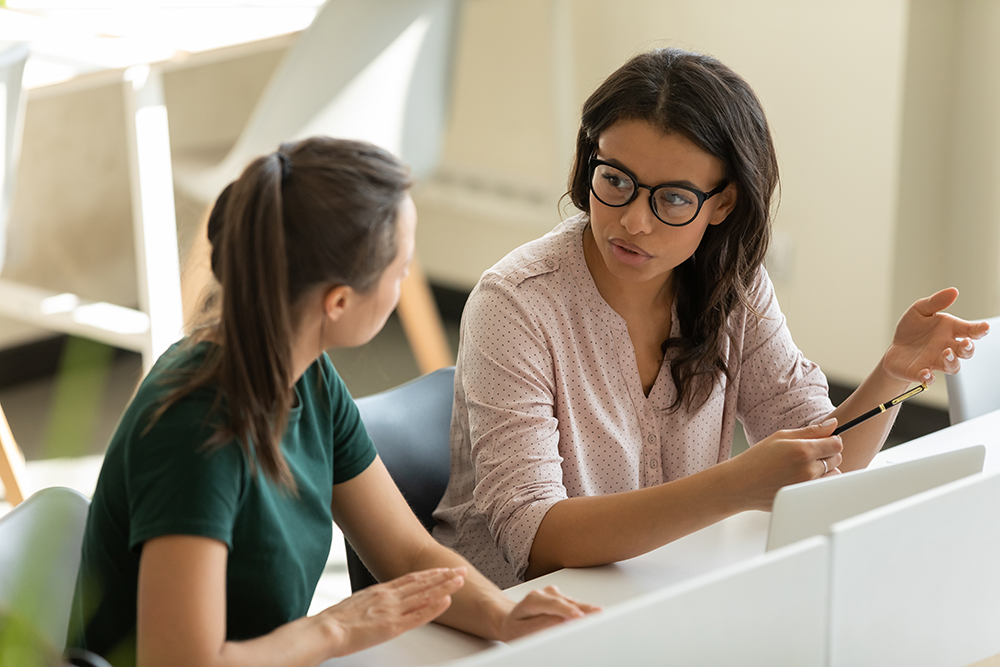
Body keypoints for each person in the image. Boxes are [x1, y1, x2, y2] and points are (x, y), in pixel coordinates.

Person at [432, 47, 990, 589]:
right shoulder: (515, 303)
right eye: (616, 180)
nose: (633, 222)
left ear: (722, 203)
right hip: (516, 618)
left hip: (663, 588)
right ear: (590, 162)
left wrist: (891, 376)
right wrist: (732, 487)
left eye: (673, 199)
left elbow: (825, 464)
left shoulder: (734, 283)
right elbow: (534, 541)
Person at [67, 137, 596, 667]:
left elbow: (409, 555)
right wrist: (339, 628)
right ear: (338, 302)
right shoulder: (195, 433)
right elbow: (180, 664)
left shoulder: (306, 376)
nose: (406, 279)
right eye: (401, 266)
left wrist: (503, 616)